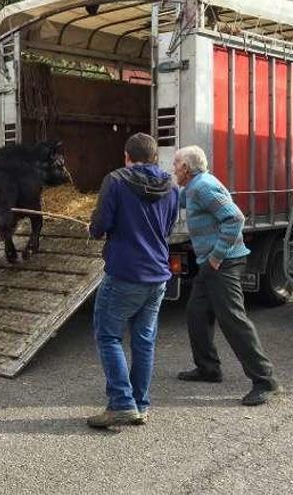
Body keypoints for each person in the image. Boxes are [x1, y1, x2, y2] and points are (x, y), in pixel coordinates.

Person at [173, 145, 281, 407]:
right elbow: (177, 200)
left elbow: (235, 218)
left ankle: (266, 381)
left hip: (224, 263)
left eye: (175, 166)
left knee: (232, 319)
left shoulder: (202, 186)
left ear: (186, 169)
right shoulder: (193, 187)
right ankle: (208, 369)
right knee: (197, 313)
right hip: (210, 265)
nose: (173, 170)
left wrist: (216, 256)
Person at [85, 133, 180, 428]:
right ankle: (140, 404)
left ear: (127, 156)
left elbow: (101, 225)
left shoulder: (116, 180)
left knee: (108, 335)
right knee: (143, 340)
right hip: (157, 274)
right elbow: (169, 227)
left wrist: (92, 228)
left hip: (125, 272)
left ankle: (122, 404)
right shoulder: (172, 186)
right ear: (154, 157)